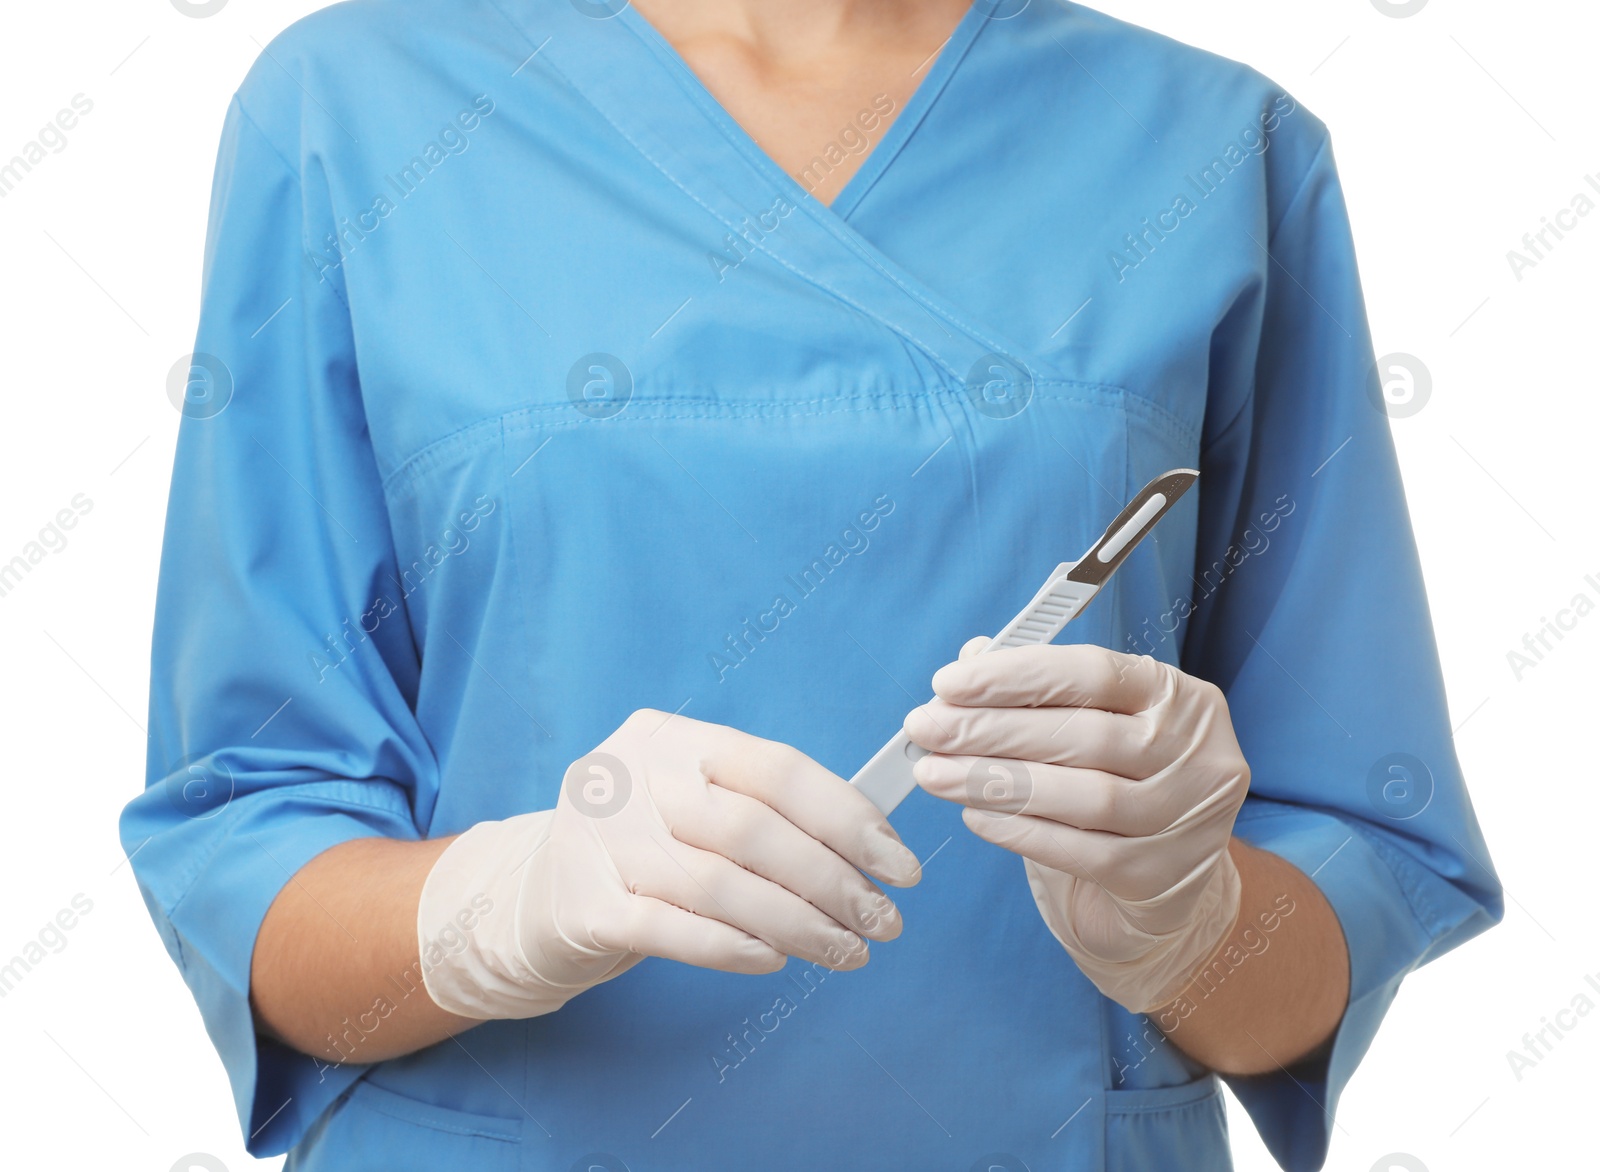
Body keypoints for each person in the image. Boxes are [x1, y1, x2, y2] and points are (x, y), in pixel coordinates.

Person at [120, 0, 1502, 1168]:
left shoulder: (1211, 152)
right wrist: (501, 902)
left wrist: (1187, 920)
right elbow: (250, 841)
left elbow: (1334, 914)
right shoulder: (356, 111)